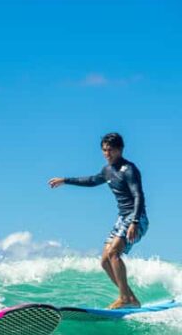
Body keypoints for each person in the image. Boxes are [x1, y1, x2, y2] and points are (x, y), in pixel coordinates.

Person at [48, 132, 148, 309]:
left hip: (135, 217)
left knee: (114, 253)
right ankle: (131, 299)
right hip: (122, 218)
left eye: (110, 150)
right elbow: (92, 180)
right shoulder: (107, 170)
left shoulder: (129, 170)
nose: (107, 154)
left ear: (120, 149)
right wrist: (65, 180)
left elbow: (138, 195)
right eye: (104, 150)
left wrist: (134, 222)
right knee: (104, 261)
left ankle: (124, 298)